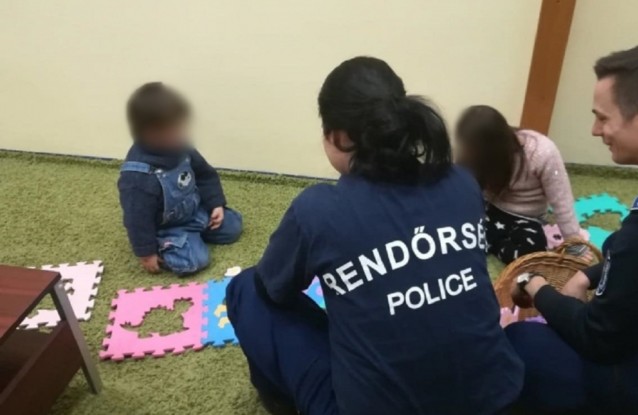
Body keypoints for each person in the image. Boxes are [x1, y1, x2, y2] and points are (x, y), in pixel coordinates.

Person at [225, 57, 523, 415]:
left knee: (244, 289)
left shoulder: (318, 210)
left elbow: (272, 288)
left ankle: (280, 400)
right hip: (498, 397)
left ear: (337, 136)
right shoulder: (461, 182)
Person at [505, 43, 638, 415]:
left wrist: (534, 286)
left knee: (520, 340)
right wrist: (588, 274)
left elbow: (599, 339)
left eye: (603, 118)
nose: (595, 130)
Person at [118, 82, 243, 276]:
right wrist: (146, 252)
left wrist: (215, 204)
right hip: (170, 227)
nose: (182, 135)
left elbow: (205, 174)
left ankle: (194, 236)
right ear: (151, 134)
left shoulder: (181, 148)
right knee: (194, 261)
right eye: (175, 131)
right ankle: (166, 245)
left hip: (196, 212)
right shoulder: (137, 178)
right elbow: (137, 220)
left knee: (233, 226)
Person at [455, 106, 583, 264]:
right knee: (456, 234)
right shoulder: (473, 156)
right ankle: (492, 239)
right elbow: (461, 189)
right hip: (490, 209)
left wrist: (575, 246)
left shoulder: (542, 152)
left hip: (526, 218)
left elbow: (562, 201)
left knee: (532, 254)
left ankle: (494, 242)